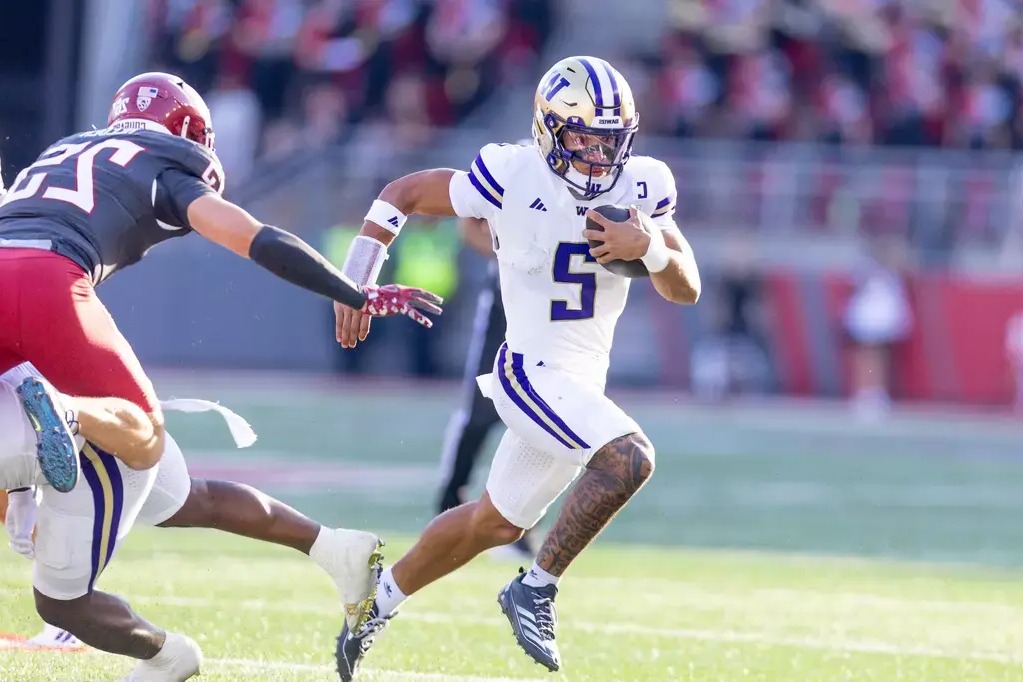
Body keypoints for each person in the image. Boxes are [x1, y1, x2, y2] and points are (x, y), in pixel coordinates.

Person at [331, 56, 701, 678]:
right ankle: (536, 588)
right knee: (630, 456)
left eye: (612, 140)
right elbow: (402, 194)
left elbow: (686, 289)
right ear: (549, 130)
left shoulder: (644, 184)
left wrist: (654, 248)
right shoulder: (509, 172)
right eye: (584, 138)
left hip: (579, 383)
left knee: (493, 522)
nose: (598, 155)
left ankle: (374, 603)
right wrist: (355, 280)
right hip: (528, 370)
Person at [0, 71, 442, 493]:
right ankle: (67, 411)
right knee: (145, 434)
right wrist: (354, 293)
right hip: (50, 276)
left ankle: (24, 498)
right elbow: (261, 241)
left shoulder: (64, 149)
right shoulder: (164, 168)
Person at [1, 362, 381, 681]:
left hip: (84, 444)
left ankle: (166, 655)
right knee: (193, 501)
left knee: (61, 604)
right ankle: (334, 547)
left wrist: (18, 495)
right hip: (108, 405)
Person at [436, 213, 536, 561]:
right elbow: (469, 227)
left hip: (560, 320)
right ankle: (449, 503)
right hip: (508, 305)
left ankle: (518, 526)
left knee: (540, 420)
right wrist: (512, 259)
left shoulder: (588, 178)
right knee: (481, 410)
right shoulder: (513, 166)